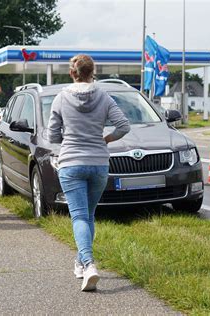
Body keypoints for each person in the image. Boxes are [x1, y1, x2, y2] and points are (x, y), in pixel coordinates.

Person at [48, 54, 130, 291]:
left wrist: (69, 139)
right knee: (88, 215)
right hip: (98, 163)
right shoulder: (104, 96)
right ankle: (80, 262)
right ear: (92, 72)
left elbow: (52, 136)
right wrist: (105, 138)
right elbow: (123, 126)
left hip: (71, 163)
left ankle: (89, 263)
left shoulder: (61, 98)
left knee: (79, 217)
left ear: (72, 73)